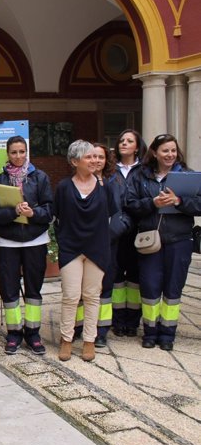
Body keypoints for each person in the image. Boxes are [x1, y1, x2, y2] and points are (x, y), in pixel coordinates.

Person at [125, 134, 201, 351]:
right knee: (149, 287)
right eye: (165, 150)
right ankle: (150, 332)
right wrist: (152, 202)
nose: (170, 155)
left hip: (180, 240)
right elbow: (129, 204)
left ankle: (167, 334)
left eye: (173, 151)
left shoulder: (188, 175)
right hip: (150, 240)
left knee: (173, 289)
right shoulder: (140, 175)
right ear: (155, 153)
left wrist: (179, 201)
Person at [0, 135, 53, 355]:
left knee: (34, 288)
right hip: (8, 241)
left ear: (27, 152)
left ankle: (33, 333)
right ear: (8, 154)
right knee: (9, 288)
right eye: (14, 152)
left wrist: (33, 213)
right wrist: (13, 211)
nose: (18, 156)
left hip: (35, 239)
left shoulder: (40, 177)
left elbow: (49, 210)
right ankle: (14, 333)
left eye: (22, 152)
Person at [54, 140, 111, 362]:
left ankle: (89, 340)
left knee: (91, 295)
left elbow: (113, 213)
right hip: (71, 248)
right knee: (70, 296)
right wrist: (62, 241)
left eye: (95, 157)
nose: (94, 161)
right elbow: (57, 217)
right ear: (75, 161)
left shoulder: (106, 186)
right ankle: (66, 339)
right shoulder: (63, 187)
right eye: (88, 157)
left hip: (97, 248)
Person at [73, 143, 130, 347]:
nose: (96, 160)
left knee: (104, 287)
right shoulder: (75, 182)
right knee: (81, 288)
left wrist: (114, 232)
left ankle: (101, 329)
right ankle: (79, 326)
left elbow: (123, 212)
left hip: (108, 243)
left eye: (101, 157)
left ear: (107, 161)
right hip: (81, 244)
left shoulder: (114, 183)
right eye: (92, 156)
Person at [111, 129, 147, 338]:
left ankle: (132, 322)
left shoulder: (144, 170)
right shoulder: (111, 170)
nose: (124, 143)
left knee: (134, 278)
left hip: (137, 230)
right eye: (121, 140)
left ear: (137, 146)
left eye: (129, 141)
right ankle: (117, 320)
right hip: (115, 231)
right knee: (115, 277)